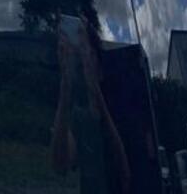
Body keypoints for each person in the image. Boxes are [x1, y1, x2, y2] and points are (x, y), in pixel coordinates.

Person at [51, 16, 131, 194]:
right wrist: (65, 85)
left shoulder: (122, 108)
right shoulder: (77, 116)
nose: (82, 59)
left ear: (99, 64)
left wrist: (95, 89)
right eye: (77, 55)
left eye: (87, 52)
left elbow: (124, 176)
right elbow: (60, 165)